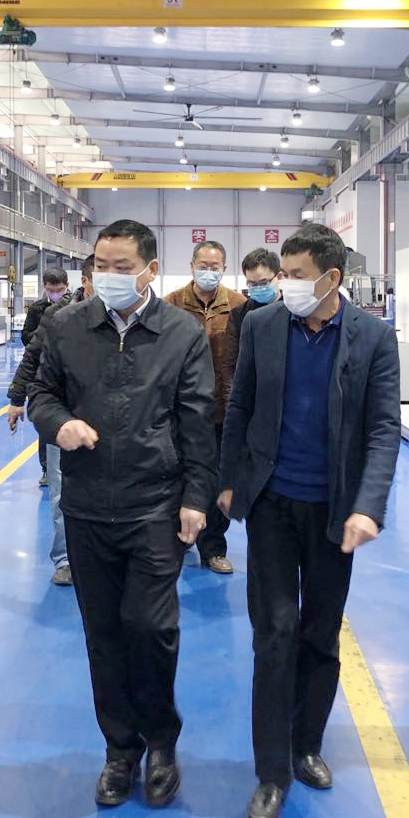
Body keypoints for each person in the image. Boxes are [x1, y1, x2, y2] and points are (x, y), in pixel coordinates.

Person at [29, 219, 216, 810]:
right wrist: (59, 423)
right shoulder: (66, 325)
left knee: (151, 628)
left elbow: (197, 420)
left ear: (150, 270)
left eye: (121, 267)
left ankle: (161, 742)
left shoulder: (181, 332)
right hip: (86, 508)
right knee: (103, 635)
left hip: (154, 506)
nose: (107, 276)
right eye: (100, 265)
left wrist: (196, 497)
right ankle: (120, 750)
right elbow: (41, 393)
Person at [218, 225, 400, 818]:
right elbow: (240, 404)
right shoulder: (263, 326)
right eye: (283, 273)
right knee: (274, 633)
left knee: (320, 635)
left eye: (295, 275)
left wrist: (368, 505)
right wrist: (229, 478)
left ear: (331, 278)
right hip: (271, 503)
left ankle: (307, 745)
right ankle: (272, 772)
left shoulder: (373, 337)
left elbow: (382, 427)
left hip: (334, 509)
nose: (285, 284)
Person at [8, 265, 94, 586]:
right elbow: (32, 355)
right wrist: (17, 397)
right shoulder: (58, 315)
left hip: (108, 420)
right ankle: (65, 559)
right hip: (64, 415)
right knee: (60, 493)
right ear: (86, 281)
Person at [164, 240, 246, 574]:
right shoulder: (171, 304)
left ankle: (213, 547)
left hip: (222, 410)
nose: (208, 271)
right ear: (192, 266)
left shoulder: (239, 306)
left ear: (224, 269)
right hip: (180, 409)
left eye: (215, 266)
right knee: (177, 475)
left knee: (217, 480)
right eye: (203, 265)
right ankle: (179, 540)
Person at [23, 268, 70, 485]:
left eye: (59, 290)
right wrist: (45, 331)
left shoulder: (73, 306)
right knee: (46, 422)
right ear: (45, 287)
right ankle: (46, 469)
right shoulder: (37, 309)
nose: (55, 294)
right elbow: (26, 337)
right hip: (43, 369)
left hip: (65, 369)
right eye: (51, 290)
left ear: (66, 287)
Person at [222, 247, 282, 396]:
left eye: (263, 282)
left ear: (279, 277)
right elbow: (230, 364)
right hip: (252, 393)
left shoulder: (293, 310)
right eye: (252, 284)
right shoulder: (239, 315)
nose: (258, 288)